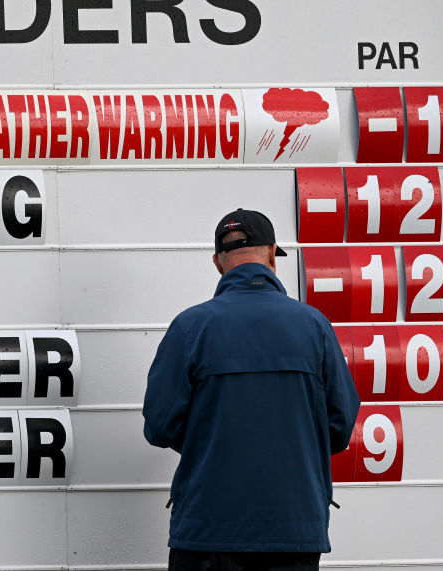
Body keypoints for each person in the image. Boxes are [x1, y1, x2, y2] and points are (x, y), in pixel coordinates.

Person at [143, 208, 360, 571]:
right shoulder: (315, 327)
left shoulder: (190, 328)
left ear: (217, 262)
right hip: (294, 529)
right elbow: (339, 426)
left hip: (207, 531)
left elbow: (160, 426)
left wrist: (210, 439)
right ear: (273, 253)